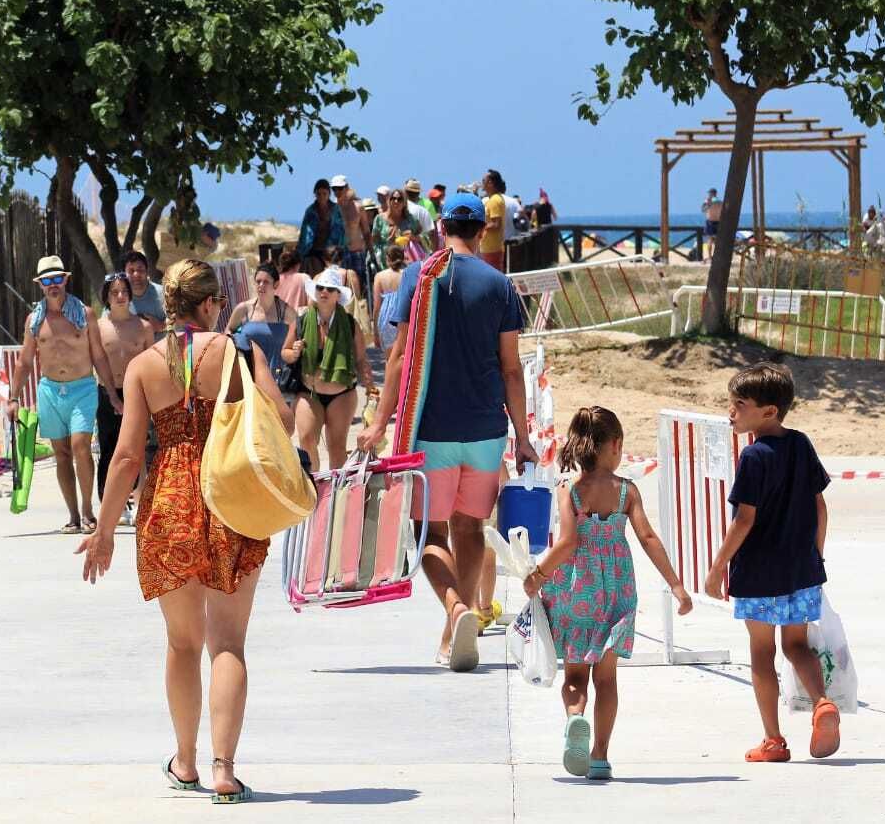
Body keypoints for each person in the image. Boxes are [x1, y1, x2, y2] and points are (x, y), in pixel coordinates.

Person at [78, 260, 293, 805]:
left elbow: (126, 457)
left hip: (170, 503)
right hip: (231, 499)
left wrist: (104, 530)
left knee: (181, 642)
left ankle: (186, 761)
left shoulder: (144, 366)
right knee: (229, 642)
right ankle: (225, 769)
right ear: (208, 305)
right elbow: (281, 421)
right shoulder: (238, 354)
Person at [358, 193, 533, 672]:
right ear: (482, 230)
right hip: (486, 430)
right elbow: (512, 369)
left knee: (428, 532)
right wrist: (523, 435)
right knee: (471, 527)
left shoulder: (420, 276)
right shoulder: (500, 286)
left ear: (441, 229)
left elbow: (398, 357)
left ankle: (456, 610)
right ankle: (459, 625)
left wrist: (377, 422)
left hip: (432, 427)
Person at [523, 406, 693, 780]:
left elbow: (567, 542)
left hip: (574, 591)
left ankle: (574, 718)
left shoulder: (570, 491)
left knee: (576, 676)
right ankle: (599, 755)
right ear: (615, 445)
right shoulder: (626, 492)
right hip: (615, 592)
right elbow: (648, 537)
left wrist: (538, 573)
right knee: (607, 679)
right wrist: (676, 585)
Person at [706, 362, 840, 763]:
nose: (731, 412)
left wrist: (717, 567)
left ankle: (774, 740)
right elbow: (820, 506)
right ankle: (821, 703)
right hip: (802, 567)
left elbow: (744, 519)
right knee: (797, 644)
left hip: (759, 572)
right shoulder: (801, 443)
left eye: (740, 405)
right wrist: (815, 554)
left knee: (762, 655)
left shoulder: (753, 456)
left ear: (768, 412)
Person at [9, 256, 119, 534]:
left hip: (81, 388)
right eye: (47, 280)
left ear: (66, 280)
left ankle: (87, 510)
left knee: (81, 446)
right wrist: (13, 398)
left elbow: (99, 355)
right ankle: (72, 514)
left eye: (57, 278)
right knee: (61, 454)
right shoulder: (35, 320)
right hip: (49, 391)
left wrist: (112, 394)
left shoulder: (84, 314)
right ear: (40, 285)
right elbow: (24, 362)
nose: (53, 284)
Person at [281, 269, 373, 472]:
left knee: (337, 446)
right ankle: (315, 489)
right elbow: (285, 352)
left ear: (337, 295)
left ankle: (335, 495)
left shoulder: (349, 323)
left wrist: (370, 384)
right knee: (306, 439)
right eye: (320, 288)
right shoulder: (303, 321)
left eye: (330, 289)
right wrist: (294, 352)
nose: (324, 292)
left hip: (341, 394)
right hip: (309, 392)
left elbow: (360, 358)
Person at [96, 273, 153, 511]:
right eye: (115, 292)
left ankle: (138, 501)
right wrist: (111, 395)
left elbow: (151, 363)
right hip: (107, 391)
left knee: (137, 447)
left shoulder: (144, 327)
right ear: (106, 297)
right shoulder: (99, 327)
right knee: (109, 448)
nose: (120, 296)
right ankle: (110, 504)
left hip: (137, 393)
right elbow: (97, 362)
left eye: (124, 292)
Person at [226, 263, 293, 379]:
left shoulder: (286, 312)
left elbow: (300, 335)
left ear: (276, 284)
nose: (261, 285)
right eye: (258, 281)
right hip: (248, 378)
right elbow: (228, 331)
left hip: (278, 380)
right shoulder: (244, 309)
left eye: (266, 282)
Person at [296, 178, 345, 271]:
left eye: (324, 194)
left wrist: (340, 250)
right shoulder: (310, 211)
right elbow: (304, 235)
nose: (321, 196)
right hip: (313, 253)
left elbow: (341, 233)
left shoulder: (336, 210)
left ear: (329, 194)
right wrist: (300, 253)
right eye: (318, 194)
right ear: (315, 194)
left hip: (332, 253)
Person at [370, 245, 406, 356]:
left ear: (387, 258)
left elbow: (376, 306)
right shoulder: (407, 274)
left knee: (389, 359)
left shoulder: (379, 276)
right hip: (404, 316)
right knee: (406, 357)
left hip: (387, 319)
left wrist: (375, 332)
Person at [373, 188, 426, 259]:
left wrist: (413, 237)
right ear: (389, 201)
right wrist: (388, 242)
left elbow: (425, 238)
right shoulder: (379, 219)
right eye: (393, 198)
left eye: (399, 199)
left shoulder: (411, 219)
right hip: (385, 261)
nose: (396, 201)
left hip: (408, 260)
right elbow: (374, 242)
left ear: (404, 203)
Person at [124, 251, 166, 333]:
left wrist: (161, 326)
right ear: (124, 274)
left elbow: (183, 322)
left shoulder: (164, 294)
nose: (136, 274)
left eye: (140, 270)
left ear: (147, 271)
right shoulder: (118, 299)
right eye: (131, 271)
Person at [481, 169, 509, 272]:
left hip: (492, 248)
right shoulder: (494, 199)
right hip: (491, 248)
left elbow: (496, 224)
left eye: (484, 180)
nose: (482, 183)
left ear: (490, 183)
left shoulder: (494, 200)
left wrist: (479, 227)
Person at [702, 188, 723, 261]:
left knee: (710, 240)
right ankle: (717, 256)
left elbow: (703, 210)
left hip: (710, 222)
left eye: (709, 193)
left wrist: (708, 203)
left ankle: (710, 257)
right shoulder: (720, 202)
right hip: (718, 221)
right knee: (717, 240)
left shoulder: (708, 201)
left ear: (711, 194)